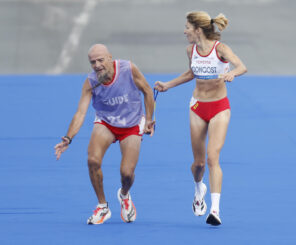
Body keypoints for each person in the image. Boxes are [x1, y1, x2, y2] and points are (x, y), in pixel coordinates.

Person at [154, 11, 247, 226]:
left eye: (187, 27)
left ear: (198, 30)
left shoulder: (221, 49)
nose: (184, 31)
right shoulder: (191, 50)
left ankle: (215, 210)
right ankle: (199, 188)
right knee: (198, 163)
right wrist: (168, 85)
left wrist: (233, 73)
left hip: (219, 107)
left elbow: (242, 66)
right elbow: (191, 73)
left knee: (213, 157)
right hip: (197, 107)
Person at [54, 44, 155, 225]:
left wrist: (149, 120)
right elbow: (80, 113)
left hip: (131, 124)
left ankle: (124, 195)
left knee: (126, 173)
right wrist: (68, 138)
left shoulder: (128, 69)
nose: (97, 65)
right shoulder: (91, 82)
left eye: (101, 60)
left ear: (110, 58)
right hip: (106, 122)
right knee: (92, 160)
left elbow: (147, 91)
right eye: (93, 62)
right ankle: (102, 206)